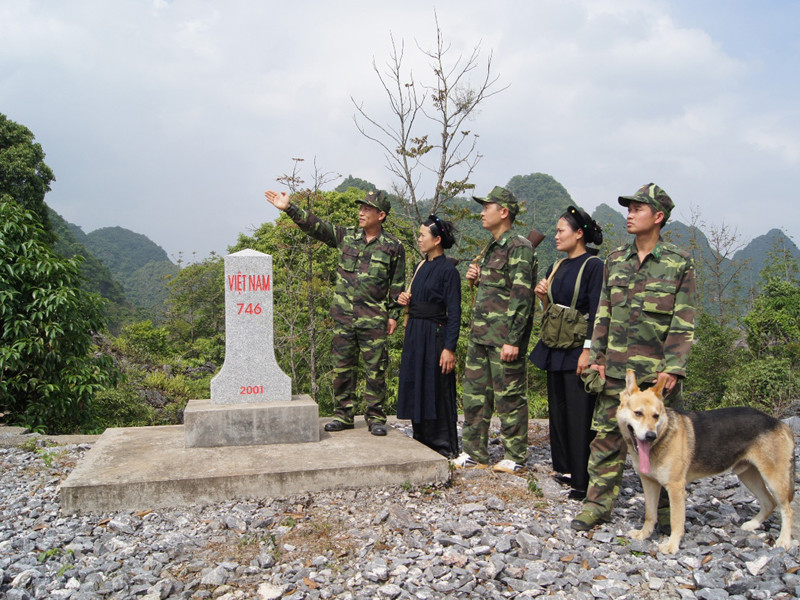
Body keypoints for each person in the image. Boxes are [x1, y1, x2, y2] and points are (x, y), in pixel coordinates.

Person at [570, 183, 697, 530]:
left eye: (638, 209)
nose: (629, 214)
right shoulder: (614, 260)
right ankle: (597, 506)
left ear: (658, 217)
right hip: (615, 371)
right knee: (606, 439)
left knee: (664, 444)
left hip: (656, 378)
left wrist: (674, 368)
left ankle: (667, 515)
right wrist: (596, 356)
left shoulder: (679, 263)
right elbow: (604, 313)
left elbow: (683, 319)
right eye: (629, 208)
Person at [264, 189, 405, 436]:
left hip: (374, 319)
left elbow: (397, 283)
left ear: (381, 215)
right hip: (343, 318)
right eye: (361, 208)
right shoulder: (346, 236)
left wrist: (394, 315)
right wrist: (289, 208)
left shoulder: (393, 246)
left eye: (367, 209)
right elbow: (316, 226)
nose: (361, 212)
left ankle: (375, 418)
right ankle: (343, 415)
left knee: (375, 371)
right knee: (342, 368)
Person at [454, 186, 536, 474]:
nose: (481, 212)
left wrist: (513, 340)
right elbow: (497, 289)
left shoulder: (519, 246)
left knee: (509, 397)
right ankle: (473, 451)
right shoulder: (491, 247)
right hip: (481, 335)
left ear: (503, 212)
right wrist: (477, 279)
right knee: (474, 396)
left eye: (486, 207)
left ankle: (515, 455)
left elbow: (522, 296)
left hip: (503, 339)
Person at [529, 206, 604, 499]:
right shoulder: (556, 265)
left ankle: (584, 479)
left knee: (579, 413)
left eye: (562, 231)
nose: (557, 236)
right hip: (555, 346)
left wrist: (589, 352)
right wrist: (542, 298)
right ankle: (566, 469)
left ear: (579, 234)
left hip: (577, 349)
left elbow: (597, 311)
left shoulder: (594, 266)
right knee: (558, 410)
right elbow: (552, 310)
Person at [396, 215, 461, 457]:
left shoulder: (448, 271)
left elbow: (454, 312)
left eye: (423, 235)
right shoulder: (420, 267)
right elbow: (417, 297)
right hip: (415, 333)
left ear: (437, 240)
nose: (419, 239)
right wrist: (404, 298)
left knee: (436, 386)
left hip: (435, 335)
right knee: (417, 383)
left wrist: (449, 347)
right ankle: (421, 438)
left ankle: (443, 445)